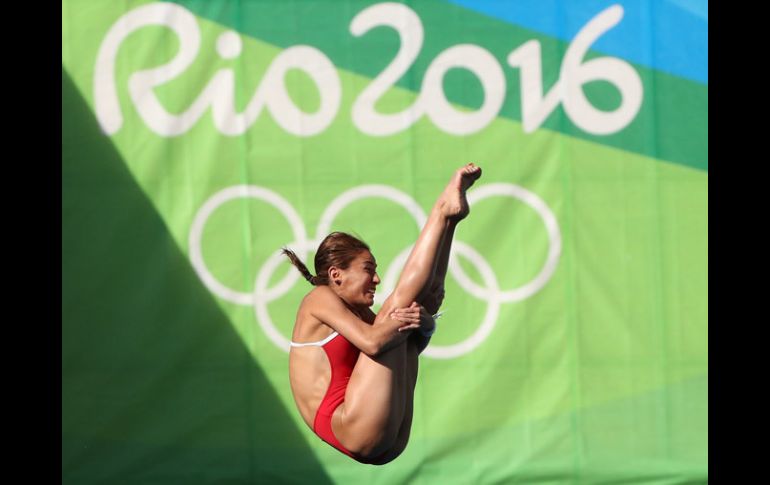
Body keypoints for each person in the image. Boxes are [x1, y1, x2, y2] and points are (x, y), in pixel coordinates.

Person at [283, 163, 482, 465]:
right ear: (336, 275)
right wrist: (410, 319)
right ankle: (441, 211)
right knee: (398, 309)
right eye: (369, 270)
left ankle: (451, 220)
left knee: (423, 306)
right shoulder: (318, 299)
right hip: (352, 428)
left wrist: (426, 325)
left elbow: (405, 346)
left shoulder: (360, 313)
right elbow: (374, 343)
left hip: (386, 439)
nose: (376, 279)